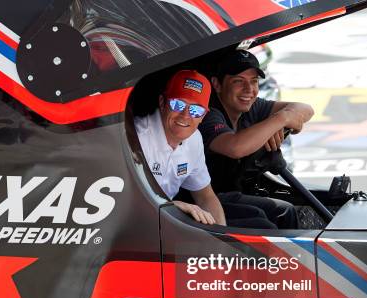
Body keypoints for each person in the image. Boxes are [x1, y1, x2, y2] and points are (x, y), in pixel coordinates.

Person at [199, 49, 314, 229]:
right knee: (262, 222)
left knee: (286, 210)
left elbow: (305, 109)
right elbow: (235, 147)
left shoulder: (252, 106)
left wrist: (276, 123)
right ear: (217, 84)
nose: (249, 90)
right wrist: (280, 120)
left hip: (234, 193)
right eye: (238, 81)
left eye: (254, 81)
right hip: (202, 200)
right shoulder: (207, 113)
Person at [134, 70, 226, 226]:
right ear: (163, 102)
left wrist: (223, 239)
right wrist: (169, 206)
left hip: (161, 221)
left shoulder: (195, 138)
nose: (185, 115)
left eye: (196, 110)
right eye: (178, 104)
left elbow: (205, 196)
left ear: (203, 116)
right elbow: (119, 198)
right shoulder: (137, 136)